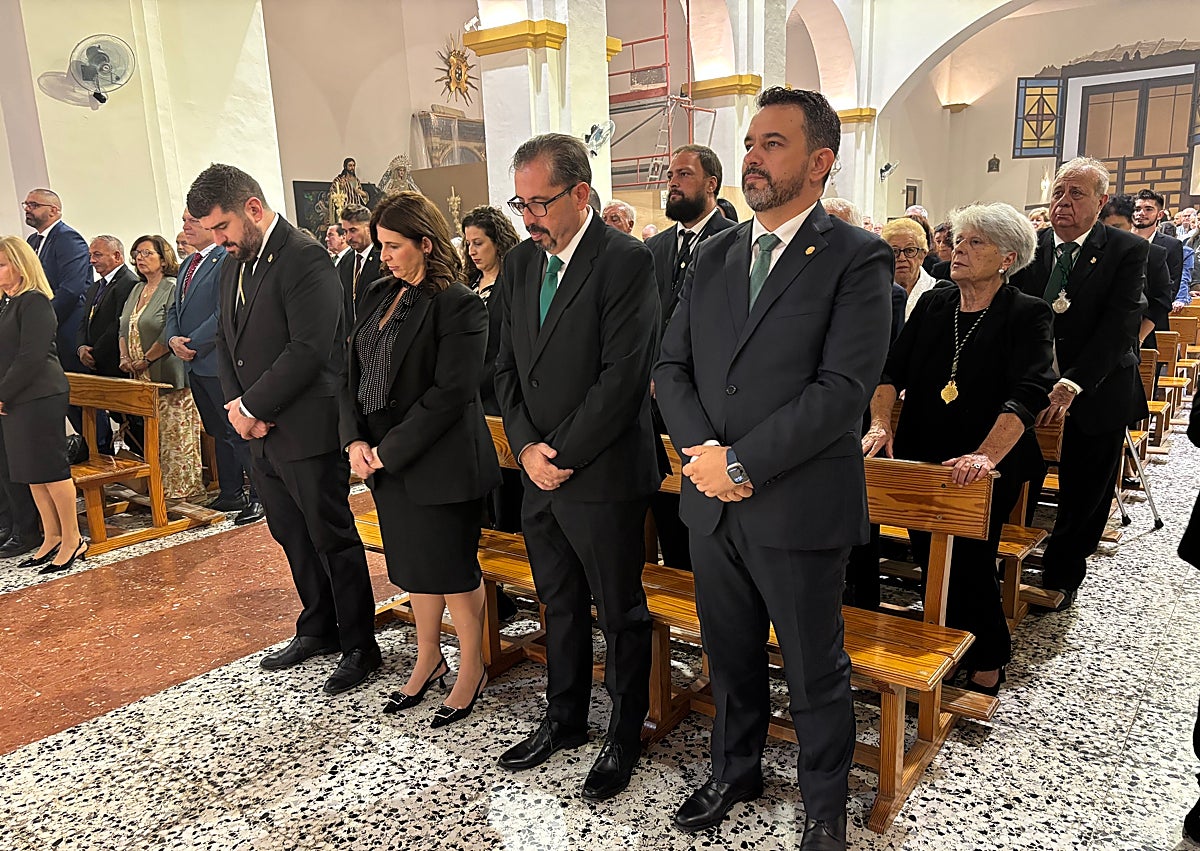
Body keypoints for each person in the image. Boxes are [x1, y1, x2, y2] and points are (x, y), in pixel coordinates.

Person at [654, 86, 892, 849]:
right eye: (750, 142)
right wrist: (706, 458)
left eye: (773, 143)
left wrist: (744, 463)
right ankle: (736, 767)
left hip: (795, 505)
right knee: (728, 652)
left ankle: (824, 804)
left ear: (820, 162)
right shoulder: (719, 251)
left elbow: (841, 393)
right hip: (712, 501)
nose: (752, 156)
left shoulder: (857, 257)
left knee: (813, 665)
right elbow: (671, 366)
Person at [495, 133, 661, 801]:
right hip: (539, 473)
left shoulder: (624, 261)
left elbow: (623, 379)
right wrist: (529, 450)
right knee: (557, 602)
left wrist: (557, 453)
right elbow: (504, 366)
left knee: (619, 611)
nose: (528, 216)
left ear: (581, 193)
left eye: (540, 201)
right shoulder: (518, 264)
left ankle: (623, 732)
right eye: (520, 202)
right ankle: (563, 717)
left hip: (604, 473)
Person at [188, 163, 380, 695]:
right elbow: (226, 340)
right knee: (289, 533)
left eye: (222, 227)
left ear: (252, 209)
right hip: (260, 430)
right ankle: (317, 625)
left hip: (306, 427)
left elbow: (310, 348)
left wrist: (253, 405)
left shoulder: (304, 257)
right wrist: (237, 406)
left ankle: (361, 643)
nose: (219, 240)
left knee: (330, 536)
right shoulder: (235, 261)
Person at [863, 202, 1055, 693]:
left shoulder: (1026, 313)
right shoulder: (934, 304)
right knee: (930, 554)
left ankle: (988, 653)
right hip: (925, 452)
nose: (959, 250)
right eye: (959, 240)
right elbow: (890, 372)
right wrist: (881, 425)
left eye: (975, 243)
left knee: (970, 557)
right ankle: (946, 644)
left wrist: (986, 456)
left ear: (1007, 257)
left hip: (987, 460)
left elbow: (1028, 393)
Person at [342, 191, 501, 726]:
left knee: (452, 570)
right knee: (415, 570)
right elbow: (350, 373)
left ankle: (472, 667)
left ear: (425, 244)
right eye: (380, 245)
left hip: (440, 459)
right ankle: (429, 656)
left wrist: (388, 450)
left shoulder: (457, 302)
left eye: (393, 245)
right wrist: (354, 441)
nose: (383, 255)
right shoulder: (379, 293)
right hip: (384, 459)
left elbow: (451, 392)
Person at [1010, 157, 1149, 611]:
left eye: (1076, 194)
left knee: (1085, 485)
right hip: (1034, 382)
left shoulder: (1125, 249)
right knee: (1016, 468)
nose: (1063, 203)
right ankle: (1007, 556)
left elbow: (1119, 327)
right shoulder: (1031, 247)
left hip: (1098, 384)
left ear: (1101, 201)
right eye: (1057, 193)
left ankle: (1063, 573)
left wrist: (1073, 383)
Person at [645, 144, 735, 571]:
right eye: (670, 176)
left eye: (683, 175)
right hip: (658, 399)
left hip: (711, 401)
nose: (673, 184)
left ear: (710, 184)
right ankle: (678, 575)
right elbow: (645, 320)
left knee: (713, 513)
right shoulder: (656, 247)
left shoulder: (733, 242)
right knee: (669, 503)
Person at [167, 210, 263, 525]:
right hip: (193, 364)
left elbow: (226, 312)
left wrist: (191, 343)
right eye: (183, 221)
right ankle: (231, 490)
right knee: (217, 432)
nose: (185, 227)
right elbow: (173, 309)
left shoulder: (225, 259)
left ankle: (261, 495)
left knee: (238, 431)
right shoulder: (189, 264)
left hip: (216, 360)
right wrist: (172, 340)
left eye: (191, 221)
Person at [0, 237, 86, 574]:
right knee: (31, 473)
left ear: (21, 266)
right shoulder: (8, 303)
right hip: (19, 398)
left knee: (50, 470)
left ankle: (72, 539)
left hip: (40, 395)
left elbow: (31, 357)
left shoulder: (34, 302)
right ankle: (50, 536)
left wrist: (3, 393)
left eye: (3, 263)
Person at [119, 235, 203, 500]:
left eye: (146, 253)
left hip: (165, 371)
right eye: (137, 253)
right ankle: (158, 486)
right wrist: (124, 356)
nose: (140, 258)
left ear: (163, 258)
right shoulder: (137, 289)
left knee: (174, 433)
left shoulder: (172, 286)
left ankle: (181, 488)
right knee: (155, 435)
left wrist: (146, 359)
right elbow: (123, 326)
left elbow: (169, 328)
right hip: (140, 375)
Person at [461, 205, 524, 531]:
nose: (472, 251)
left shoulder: (511, 284)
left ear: (498, 242)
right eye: (468, 243)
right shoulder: (468, 285)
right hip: (469, 398)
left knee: (507, 487)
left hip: (498, 395)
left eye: (479, 243)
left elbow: (509, 345)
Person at [77, 236, 139, 454]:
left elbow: (118, 324)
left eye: (97, 255)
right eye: (90, 255)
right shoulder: (95, 287)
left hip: (114, 362)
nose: (92, 260)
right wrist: (81, 347)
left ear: (117, 256)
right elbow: (84, 321)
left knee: (131, 421)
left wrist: (96, 352)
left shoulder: (128, 283)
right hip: (97, 361)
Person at [23, 189, 90, 377]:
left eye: (34, 205)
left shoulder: (68, 238)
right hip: (43, 326)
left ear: (53, 211)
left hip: (65, 326)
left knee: (73, 390)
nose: (28, 209)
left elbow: (71, 289)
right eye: (26, 205)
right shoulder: (33, 240)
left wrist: (43, 320)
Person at [1100, 194, 1172, 352]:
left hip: (1136, 341)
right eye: (1107, 228)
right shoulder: (1096, 253)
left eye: (1118, 227)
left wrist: (1138, 338)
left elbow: (1161, 301)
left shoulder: (1153, 254)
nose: (1112, 234)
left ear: (1131, 224)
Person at [883, 217, 937, 320]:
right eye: (894, 251)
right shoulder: (874, 291)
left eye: (910, 250)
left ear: (922, 255)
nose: (902, 258)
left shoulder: (941, 293)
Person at [337, 203, 380, 327]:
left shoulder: (383, 258)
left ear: (368, 228)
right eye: (345, 231)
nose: (348, 238)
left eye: (353, 230)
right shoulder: (346, 260)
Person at [1134, 189, 1184, 295]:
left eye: (1148, 209)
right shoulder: (1122, 240)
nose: (1141, 213)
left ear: (1160, 214)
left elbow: (1172, 289)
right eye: (1137, 209)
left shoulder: (1172, 245)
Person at [328, 157, 369, 223]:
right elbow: (332, 194)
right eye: (350, 165)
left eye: (353, 165)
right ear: (345, 167)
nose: (352, 167)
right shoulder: (338, 180)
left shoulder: (356, 180)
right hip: (345, 211)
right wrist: (341, 187)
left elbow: (362, 196)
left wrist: (362, 193)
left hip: (356, 212)